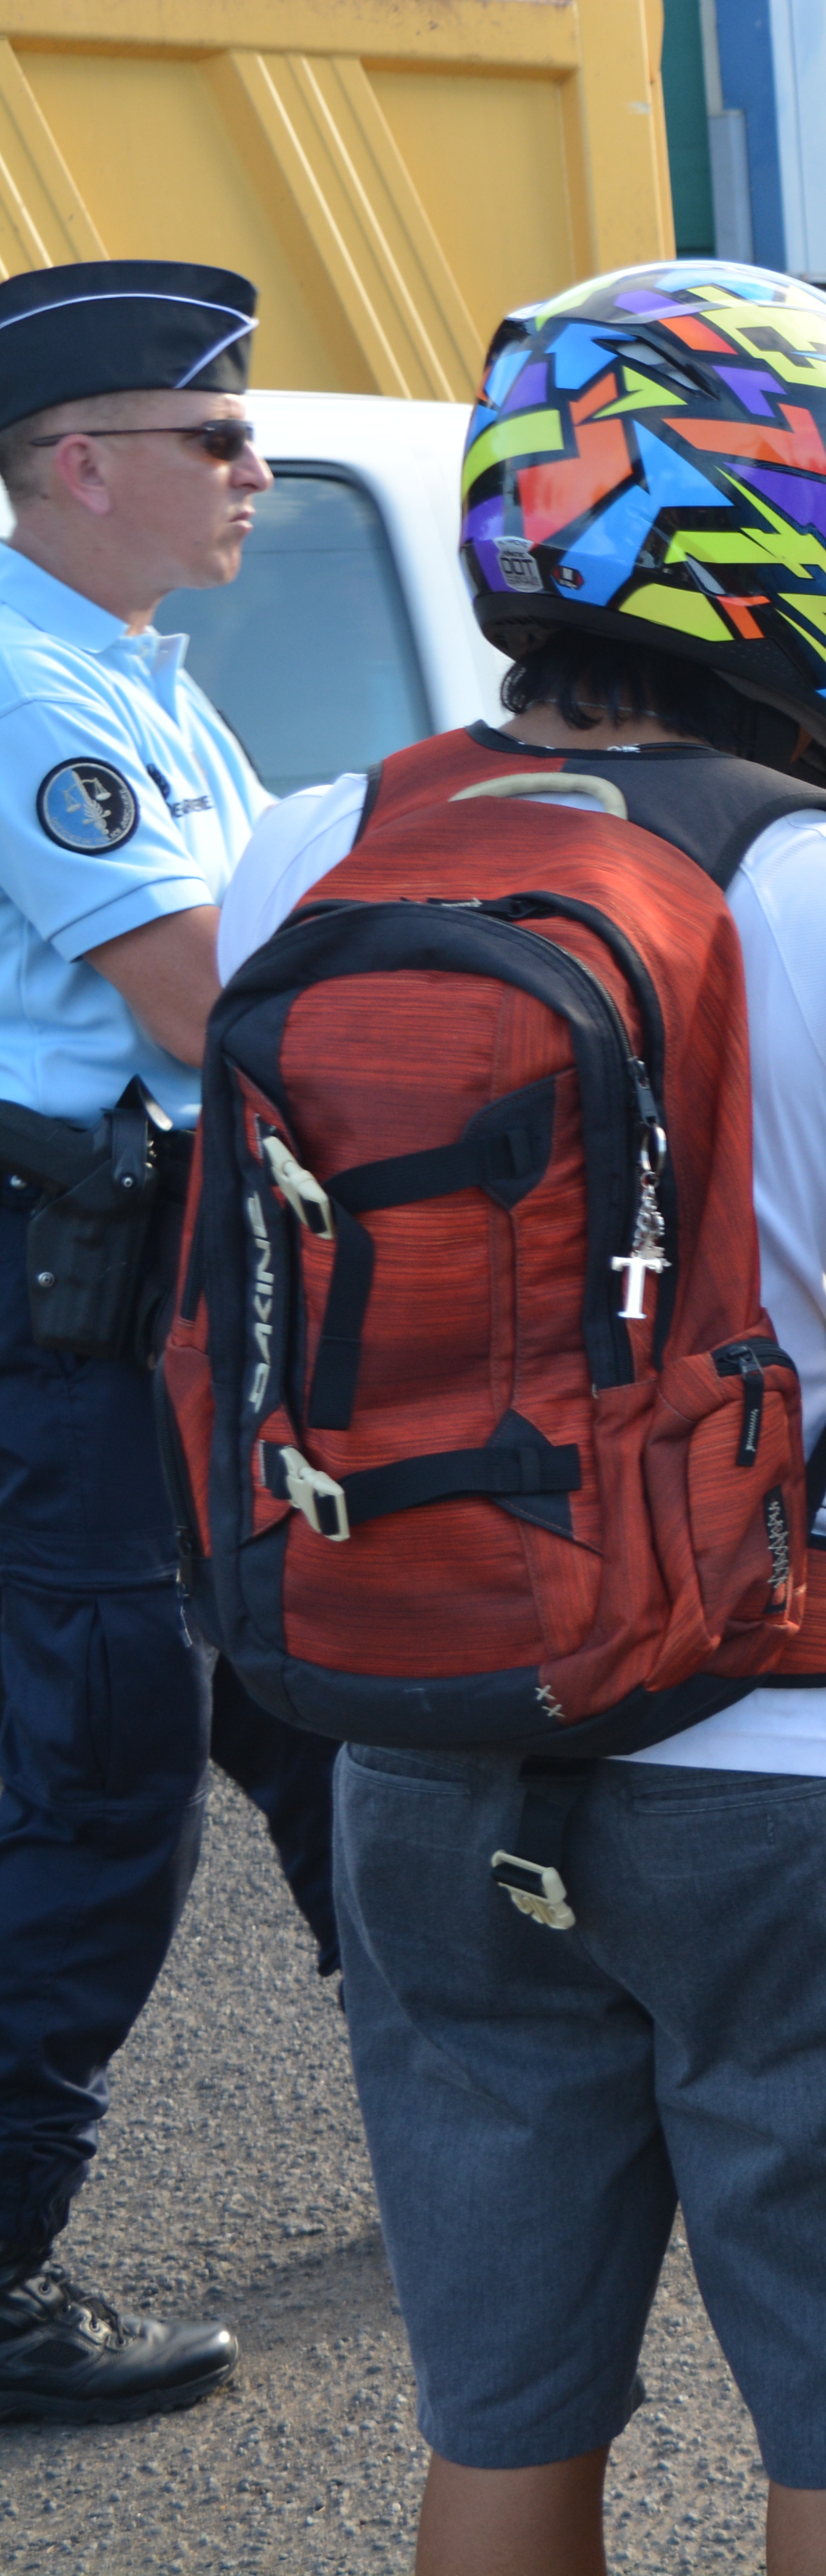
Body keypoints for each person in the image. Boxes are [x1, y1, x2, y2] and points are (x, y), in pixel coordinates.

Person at [216, 263, 826, 2576]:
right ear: (777, 529)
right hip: (792, 1763)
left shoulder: (303, 848)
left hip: (424, 1734)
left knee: (504, 2421)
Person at [0, 257, 345, 2427]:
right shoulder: (37, 698)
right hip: (84, 1366)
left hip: (176, 1352)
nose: (259, 468)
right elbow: (214, 1004)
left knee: (328, 1735)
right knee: (104, 1804)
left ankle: (504, 2114)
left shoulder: (133, 671)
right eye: (217, 440)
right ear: (78, 463)